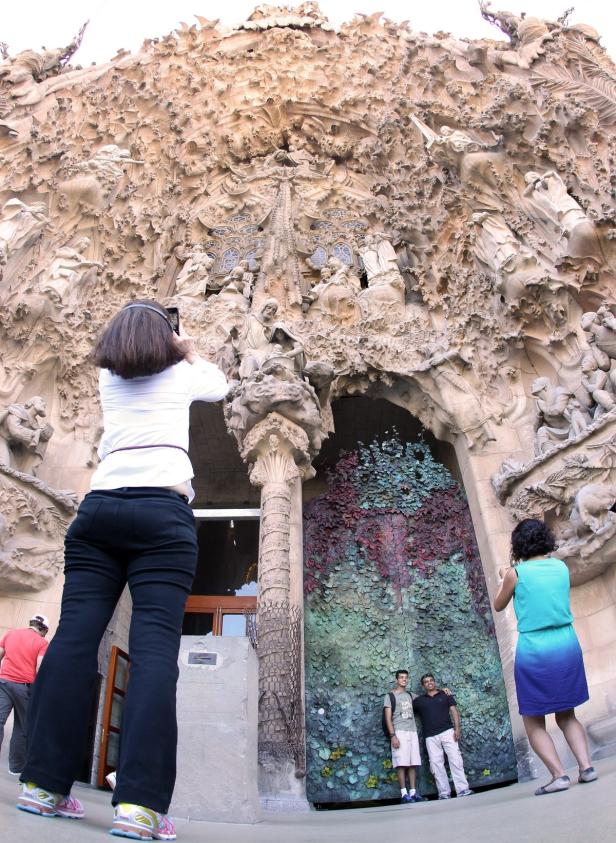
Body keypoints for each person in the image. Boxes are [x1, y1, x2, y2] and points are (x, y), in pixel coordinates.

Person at [16, 300, 228, 839]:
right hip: (163, 512)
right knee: (155, 650)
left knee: (71, 642)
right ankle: (139, 806)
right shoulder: (182, 372)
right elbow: (221, 384)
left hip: (99, 509)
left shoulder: (109, 375)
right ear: (167, 338)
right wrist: (186, 342)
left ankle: (43, 786)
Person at [494, 518, 598, 796]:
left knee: (533, 719)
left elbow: (498, 604)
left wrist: (503, 577)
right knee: (567, 713)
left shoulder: (517, 573)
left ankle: (558, 775)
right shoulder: (560, 567)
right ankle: (586, 767)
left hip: (535, 648)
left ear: (519, 545)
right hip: (566, 642)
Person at [0, 615, 49, 777]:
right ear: (44, 629)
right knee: (22, 727)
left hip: (4, 682)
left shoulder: (11, 634)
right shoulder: (42, 643)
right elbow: (39, 668)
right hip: (24, 688)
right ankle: (15, 767)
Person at [412, 673, 474, 799]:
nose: (429, 683)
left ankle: (462, 789)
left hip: (447, 732)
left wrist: (457, 729)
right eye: (426, 682)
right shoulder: (420, 701)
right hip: (430, 736)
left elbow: (454, 711)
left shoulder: (445, 695)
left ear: (434, 682)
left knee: (456, 760)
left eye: (431, 680)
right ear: (423, 685)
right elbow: (407, 701)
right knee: (436, 764)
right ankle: (444, 793)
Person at [383, 669, 425, 803]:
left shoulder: (410, 695)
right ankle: (403, 794)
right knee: (401, 763)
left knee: (412, 763)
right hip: (399, 731)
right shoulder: (390, 696)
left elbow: (427, 698)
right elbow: (388, 718)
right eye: (401, 678)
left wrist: (443, 691)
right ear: (397, 680)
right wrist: (393, 735)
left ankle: (413, 792)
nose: (404, 680)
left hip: (412, 731)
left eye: (406, 678)